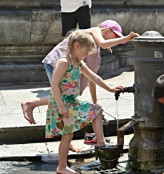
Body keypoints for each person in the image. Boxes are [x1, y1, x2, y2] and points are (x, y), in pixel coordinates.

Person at [21, 20, 139, 151]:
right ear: (106, 30)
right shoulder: (95, 31)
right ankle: (32, 105)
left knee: (70, 97)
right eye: (116, 36)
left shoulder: (92, 51)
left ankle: (68, 140)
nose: (117, 39)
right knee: (62, 98)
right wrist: (127, 38)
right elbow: (104, 44)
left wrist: (96, 100)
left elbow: (92, 77)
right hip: (56, 63)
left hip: (70, 69)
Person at [46, 30, 123, 174]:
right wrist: (61, 106)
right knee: (67, 135)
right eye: (86, 51)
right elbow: (54, 85)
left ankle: (101, 143)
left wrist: (110, 88)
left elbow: (95, 77)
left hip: (73, 101)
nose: (87, 55)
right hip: (62, 103)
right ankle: (61, 167)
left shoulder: (79, 63)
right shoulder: (63, 62)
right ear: (76, 45)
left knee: (96, 111)